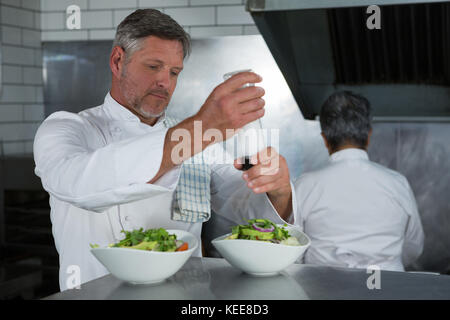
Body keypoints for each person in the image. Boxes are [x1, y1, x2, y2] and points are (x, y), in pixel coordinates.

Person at [33, 9, 296, 291]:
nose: (165, 82)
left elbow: (249, 216)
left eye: (174, 72)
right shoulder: (67, 128)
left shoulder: (198, 143)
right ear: (118, 60)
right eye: (153, 67)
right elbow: (79, 183)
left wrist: (278, 189)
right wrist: (200, 128)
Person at [293, 91, 424, 271]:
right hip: (387, 289)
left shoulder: (304, 185)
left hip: (324, 290)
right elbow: (413, 247)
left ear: (324, 139)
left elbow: (293, 250)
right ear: (368, 136)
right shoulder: (398, 183)